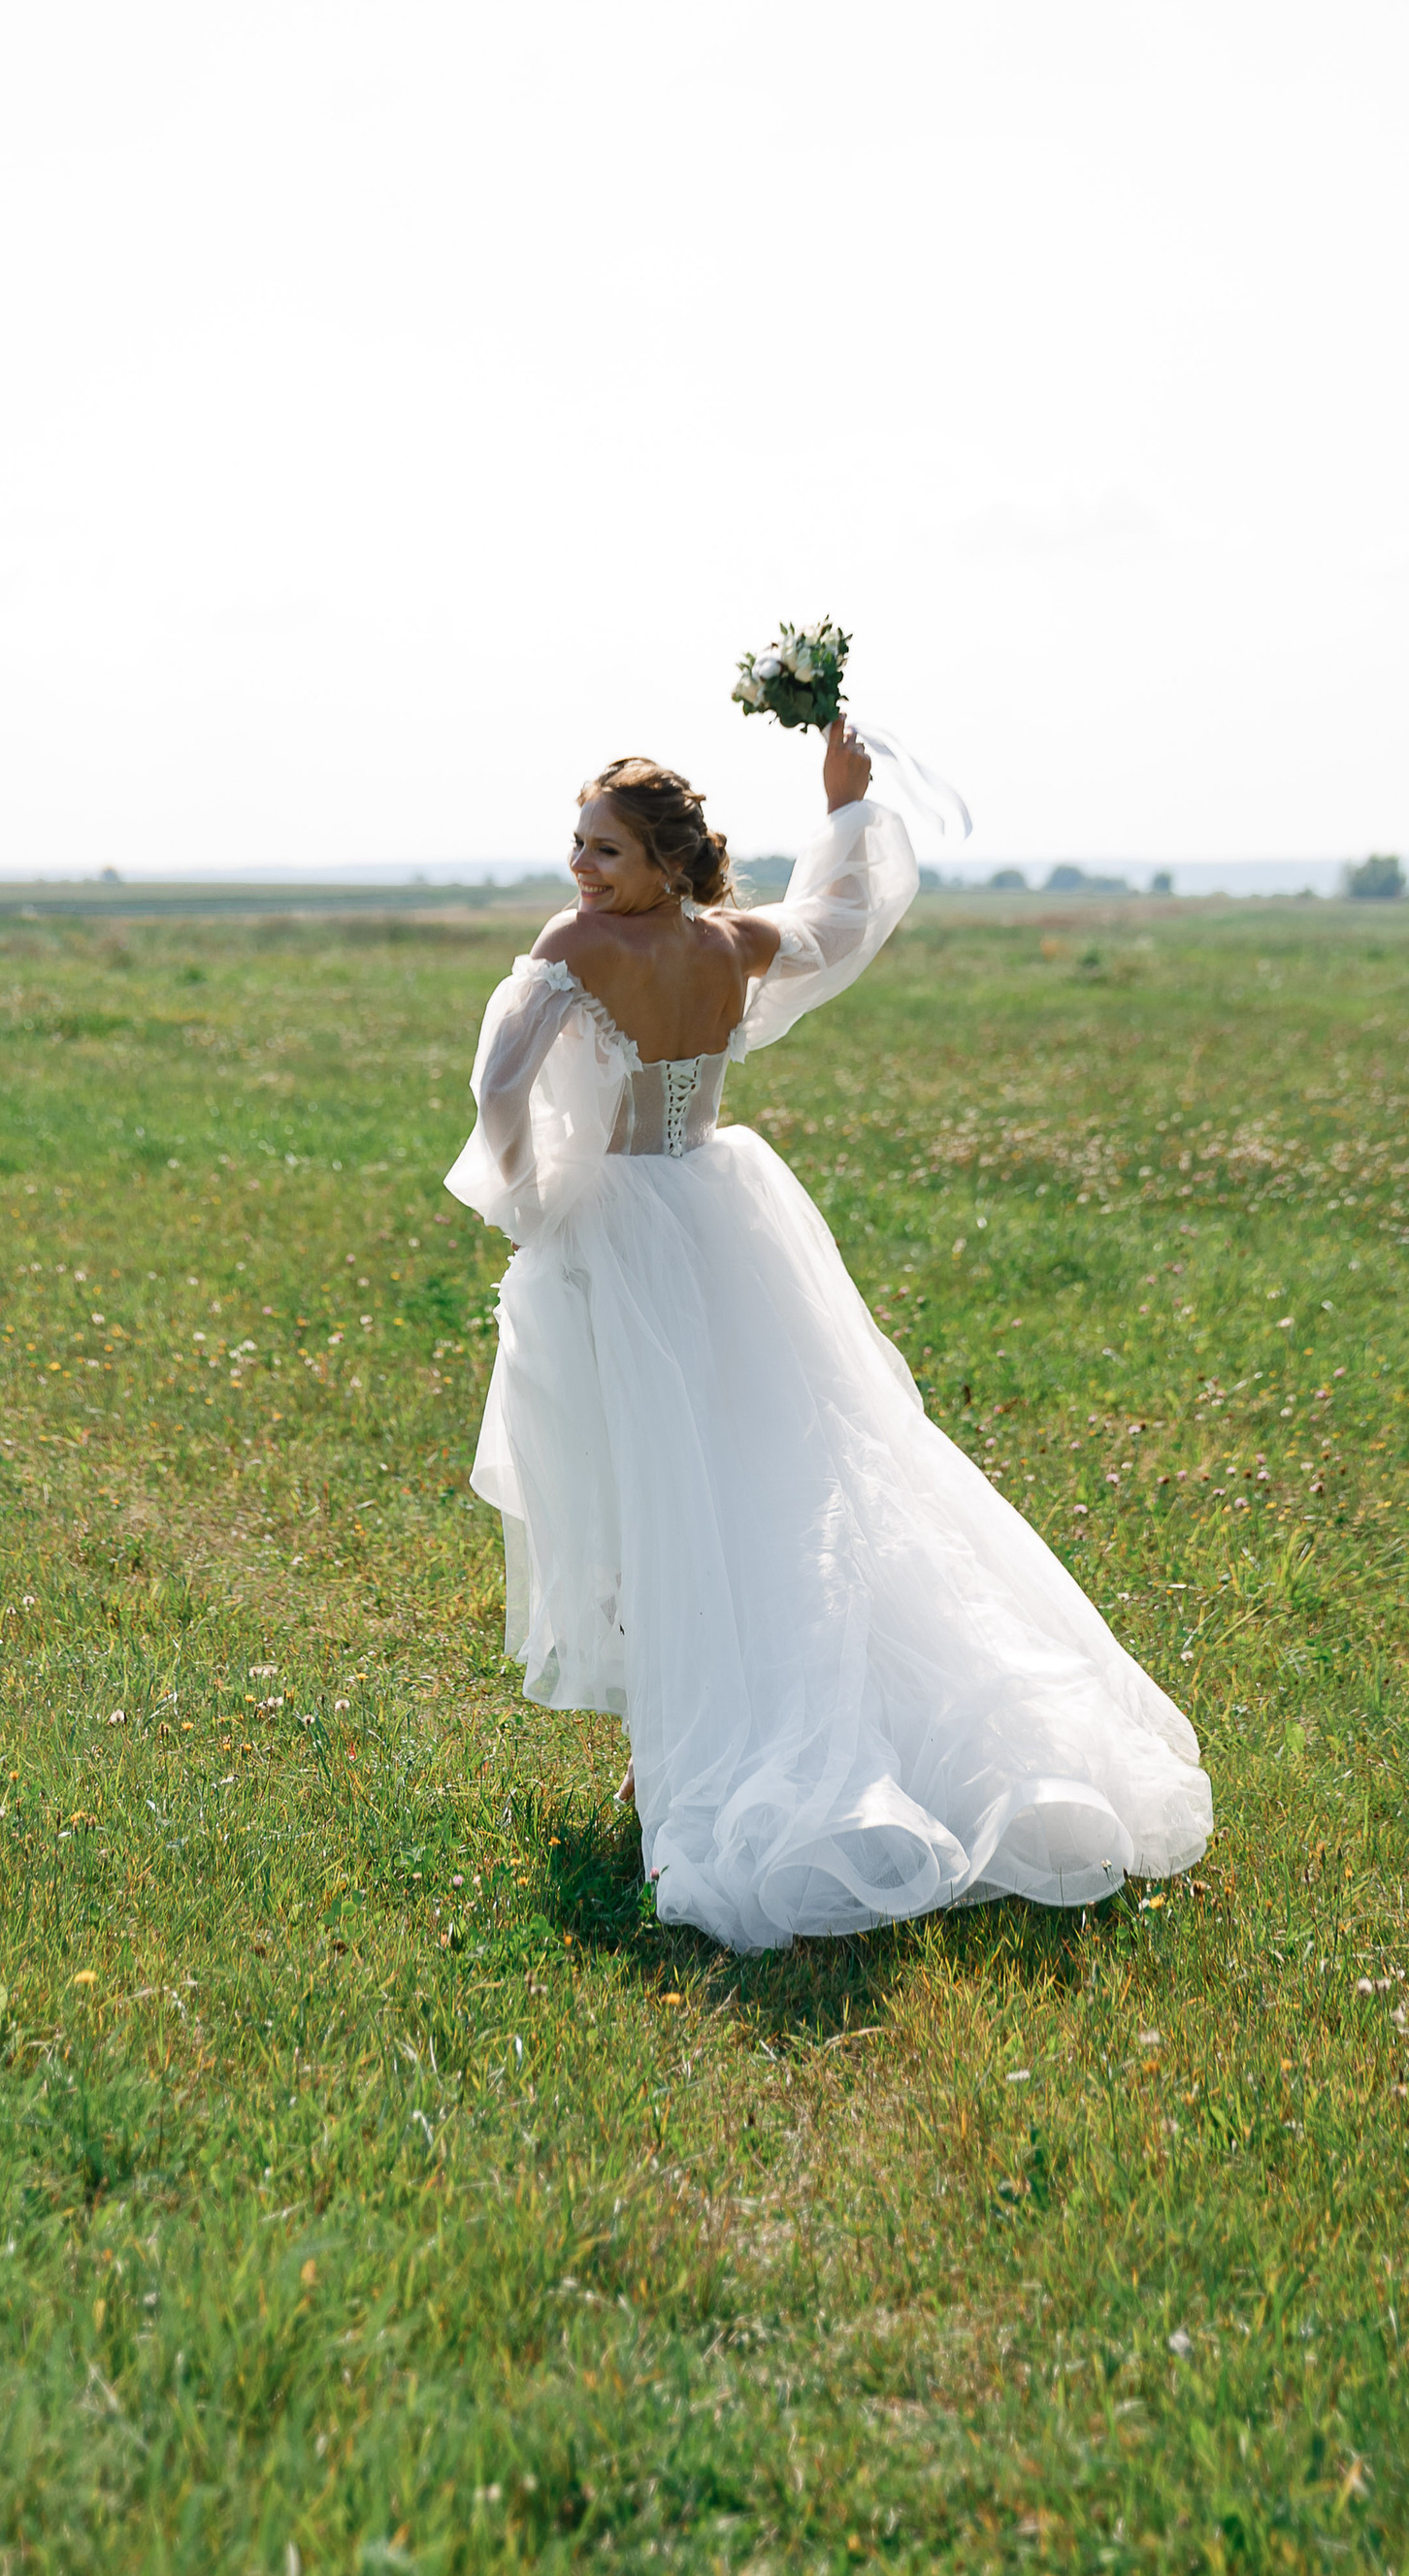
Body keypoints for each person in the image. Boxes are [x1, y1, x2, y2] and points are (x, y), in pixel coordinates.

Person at [445, 717, 1211, 1952]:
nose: (581, 869)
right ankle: (715, 1735)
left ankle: (681, 1757)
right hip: (723, 1213)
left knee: (645, 1487)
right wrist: (844, 807)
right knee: (771, 1478)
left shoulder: (574, 946)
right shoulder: (731, 942)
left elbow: (496, 1076)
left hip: (624, 1236)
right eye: (576, 846)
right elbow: (840, 926)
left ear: (662, 858)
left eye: (604, 849)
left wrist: (529, 1188)